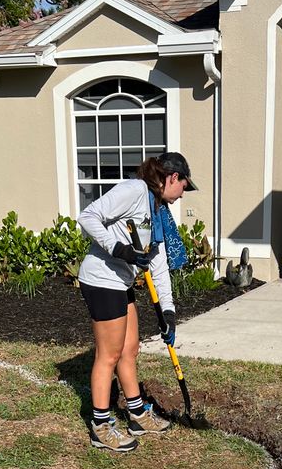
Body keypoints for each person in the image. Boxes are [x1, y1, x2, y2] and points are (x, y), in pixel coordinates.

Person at [76, 152, 195, 453]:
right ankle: (100, 427)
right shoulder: (134, 191)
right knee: (109, 355)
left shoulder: (157, 211)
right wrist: (119, 249)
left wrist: (168, 311)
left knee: (130, 350)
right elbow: (88, 216)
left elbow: (158, 263)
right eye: (183, 185)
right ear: (172, 177)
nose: (182, 194)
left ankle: (138, 414)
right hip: (102, 279)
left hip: (121, 282)